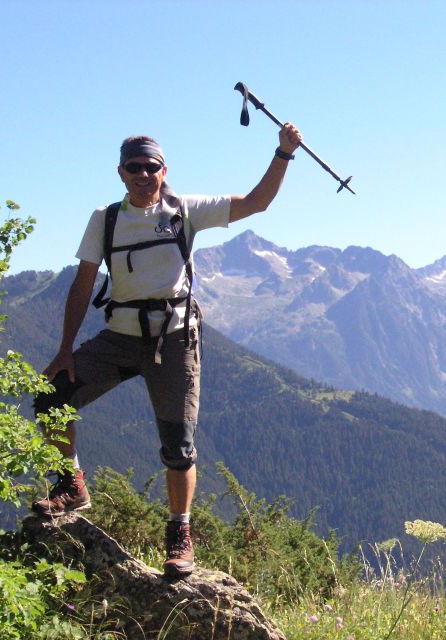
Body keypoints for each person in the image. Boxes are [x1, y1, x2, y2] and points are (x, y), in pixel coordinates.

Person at [32, 123, 303, 578]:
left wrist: (283, 154)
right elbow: (82, 284)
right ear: (121, 173)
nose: (142, 174)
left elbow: (256, 203)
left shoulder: (186, 210)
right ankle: (71, 484)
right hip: (119, 338)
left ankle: (180, 534)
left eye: (150, 166)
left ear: (163, 170)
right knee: (51, 397)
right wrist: (64, 349)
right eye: (134, 167)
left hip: (175, 340)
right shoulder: (106, 219)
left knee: (178, 446)